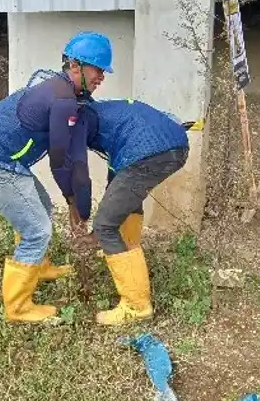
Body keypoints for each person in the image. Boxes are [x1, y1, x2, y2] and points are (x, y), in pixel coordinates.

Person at [0, 32, 113, 323]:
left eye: (103, 71)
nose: (101, 77)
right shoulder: (63, 98)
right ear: (76, 66)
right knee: (38, 230)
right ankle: (17, 308)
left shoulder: (58, 87)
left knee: (41, 207)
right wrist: (72, 201)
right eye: (98, 69)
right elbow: (59, 162)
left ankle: (38, 266)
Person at [69, 98, 190, 326]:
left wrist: (89, 222)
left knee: (105, 225)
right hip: (172, 145)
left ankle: (137, 306)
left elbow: (79, 176)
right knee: (126, 201)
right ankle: (127, 248)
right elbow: (116, 174)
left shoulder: (79, 122)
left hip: (151, 150)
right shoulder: (104, 113)